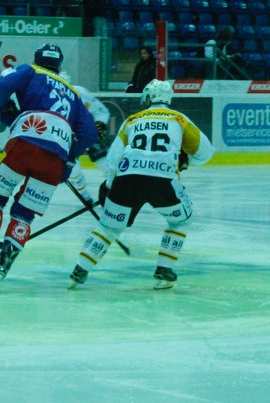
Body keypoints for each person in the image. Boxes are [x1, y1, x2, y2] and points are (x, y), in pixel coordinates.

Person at [67, 79, 213, 290]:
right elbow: (206, 152)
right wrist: (186, 162)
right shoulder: (179, 119)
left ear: (147, 98)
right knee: (180, 222)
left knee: (108, 227)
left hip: (127, 180)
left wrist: (108, 186)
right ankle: (164, 269)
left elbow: (113, 159)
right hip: (162, 181)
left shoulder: (132, 120)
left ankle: (79, 271)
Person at [0, 43, 98, 287]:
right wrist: (69, 160)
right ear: (59, 66)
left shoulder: (30, 70)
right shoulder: (73, 93)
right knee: (25, 212)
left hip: (27, 137)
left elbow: (0, 84)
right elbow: (89, 134)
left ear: (37, 58)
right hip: (56, 154)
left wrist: (3, 109)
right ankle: (4, 264)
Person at [56, 71, 110, 204]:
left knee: (104, 161)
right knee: (72, 168)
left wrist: (100, 123)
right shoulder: (50, 95)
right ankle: (84, 195)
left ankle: (115, 191)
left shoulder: (80, 92)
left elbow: (101, 110)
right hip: (65, 136)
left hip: (86, 132)